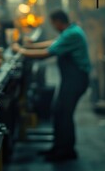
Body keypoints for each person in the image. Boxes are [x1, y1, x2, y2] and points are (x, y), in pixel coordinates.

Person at [11, 10, 91, 162]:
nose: (53, 26)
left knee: (63, 113)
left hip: (76, 80)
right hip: (72, 80)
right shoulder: (72, 30)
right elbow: (55, 43)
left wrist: (21, 50)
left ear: (58, 21)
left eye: (53, 23)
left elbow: (48, 53)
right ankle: (60, 148)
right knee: (59, 111)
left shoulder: (72, 34)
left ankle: (65, 151)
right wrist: (33, 45)